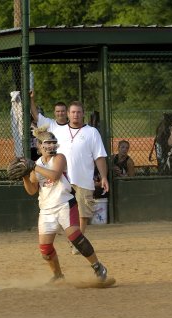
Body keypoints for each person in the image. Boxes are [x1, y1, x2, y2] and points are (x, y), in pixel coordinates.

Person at [19, 127, 112, 287]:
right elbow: (32, 190)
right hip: (46, 209)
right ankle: (58, 275)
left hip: (64, 204)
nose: (51, 146)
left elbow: (55, 176)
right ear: (39, 146)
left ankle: (98, 267)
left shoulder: (59, 158)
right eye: (47, 143)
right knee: (45, 250)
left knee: (75, 237)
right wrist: (25, 176)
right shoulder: (37, 164)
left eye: (53, 143)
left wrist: (33, 167)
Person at [57, 101, 109, 240]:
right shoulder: (59, 131)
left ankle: (78, 241)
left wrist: (104, 177)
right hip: (63, 178)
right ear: (68, 114)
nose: (76, 115)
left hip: (84, 179)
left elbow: (99, 156)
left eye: (79, 112)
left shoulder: (92, 132)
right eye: (73, 112)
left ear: (83, 114)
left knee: (83, 212)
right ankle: (71, 236)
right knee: (61, 210)